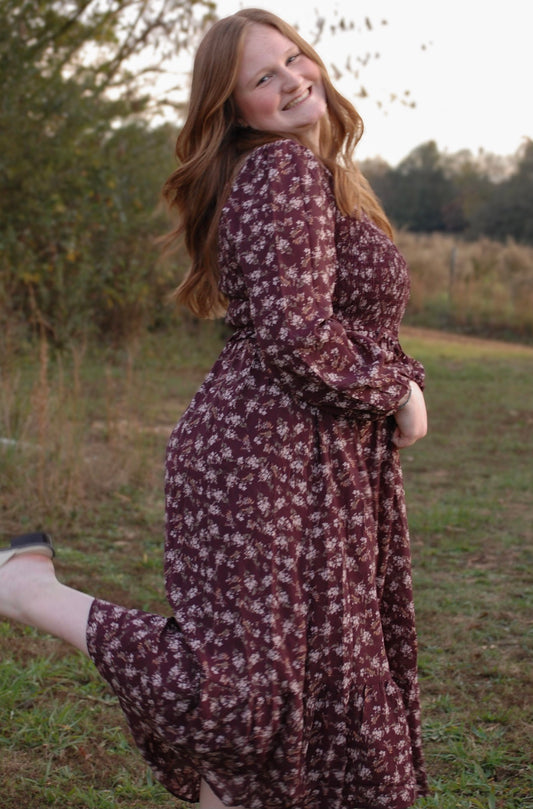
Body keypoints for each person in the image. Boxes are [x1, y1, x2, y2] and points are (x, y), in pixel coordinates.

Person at [0, 8, 429, 809]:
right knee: (243, 694)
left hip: (309, 460)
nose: (294, 78)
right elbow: (298, 335)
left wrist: (394, 380)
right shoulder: (280, 171)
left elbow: (325, 321)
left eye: (295, 57)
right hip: (267, 457)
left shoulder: (318, 172)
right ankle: (33, 593)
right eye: (263, 78)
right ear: (235, 110)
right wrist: (397, 389)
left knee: (297, 694)